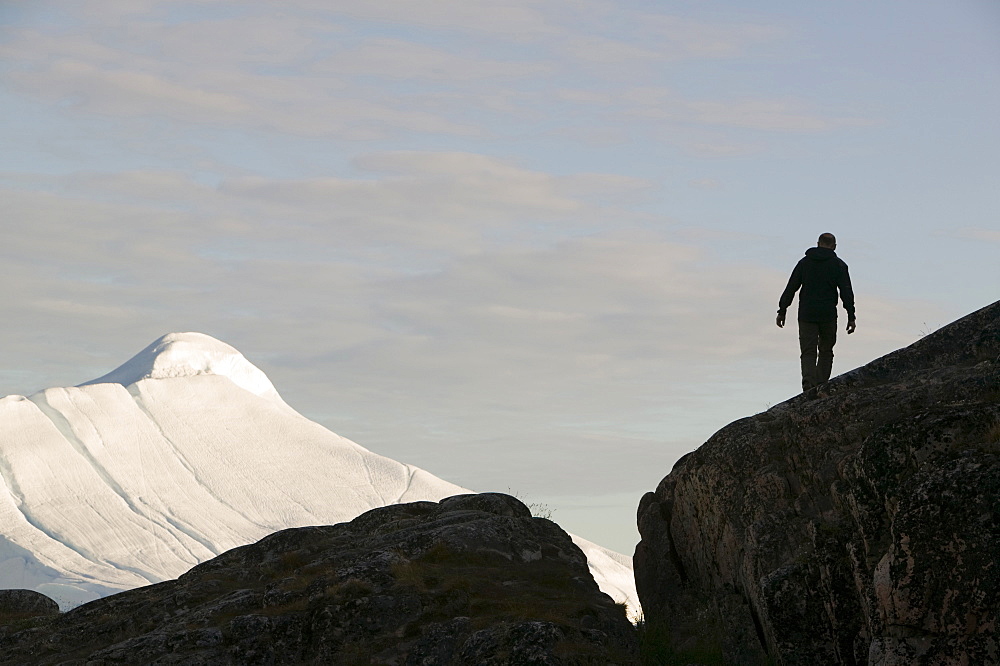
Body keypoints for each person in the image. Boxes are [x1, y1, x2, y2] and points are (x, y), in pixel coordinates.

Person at [776, 233, 856, 392]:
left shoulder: (804, 263)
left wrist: (782, 310)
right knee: (826, 350)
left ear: (818, 243)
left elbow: (791, 287)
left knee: (808, 351)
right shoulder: (839, 265)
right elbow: (846, 292)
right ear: (834, 246)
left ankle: (808, 384)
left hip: (806, 314)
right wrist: (851, 315)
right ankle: (821, 385)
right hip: (828, 315)